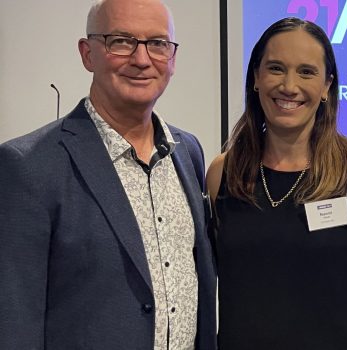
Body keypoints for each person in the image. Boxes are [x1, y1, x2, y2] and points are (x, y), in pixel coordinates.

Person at [0, 0, 217, 349]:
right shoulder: (29, 165)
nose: (142, 59)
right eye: (121, 41)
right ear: (88, 54)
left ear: (173, 59)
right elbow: (14, 320)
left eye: (157, 43)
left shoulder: (187, 151)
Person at [206, 17, 347, 350]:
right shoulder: (224, 172)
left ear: (327, 86)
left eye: (307, 72)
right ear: (256, 78)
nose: (289, 86)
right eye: (276, 68)